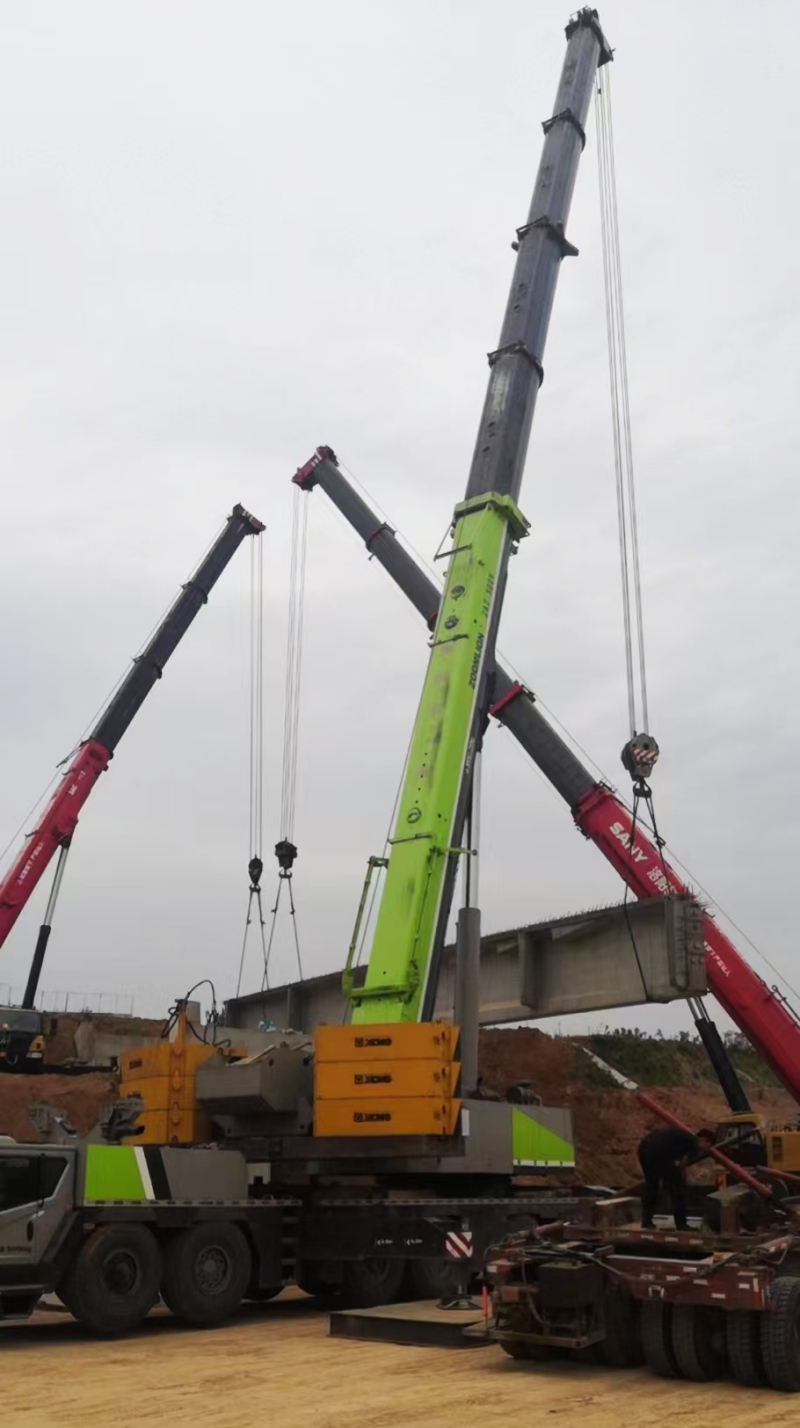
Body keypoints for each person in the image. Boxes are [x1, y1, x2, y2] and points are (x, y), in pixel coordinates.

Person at [637, 1125, 715, 1231]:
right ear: (704, 1140)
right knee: (677, 1190)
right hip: (660, 1152)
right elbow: (683, 1165)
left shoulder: (684, 1137)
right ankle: (681, 1224)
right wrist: (681, 1180)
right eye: (709, 1145)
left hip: (644, 1148)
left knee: (652, 1187)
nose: (707, 1149)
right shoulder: (693, 1143)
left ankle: (647, 1222)